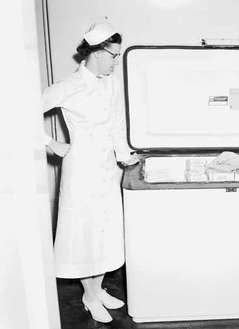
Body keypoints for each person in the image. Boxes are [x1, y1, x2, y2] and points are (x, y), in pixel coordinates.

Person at [43, 21, 139, 323]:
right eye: (113, 55)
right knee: (85, 234)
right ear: (96, 52)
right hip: (81, 169)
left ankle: (97, 290)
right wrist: (52, 144)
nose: (116, 61)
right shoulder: (69, 86)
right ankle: (87, 295)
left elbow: (116, 123)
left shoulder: (108, 82)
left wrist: (124, 156)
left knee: (104, 232)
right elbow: (16, 112)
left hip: (106, 168)